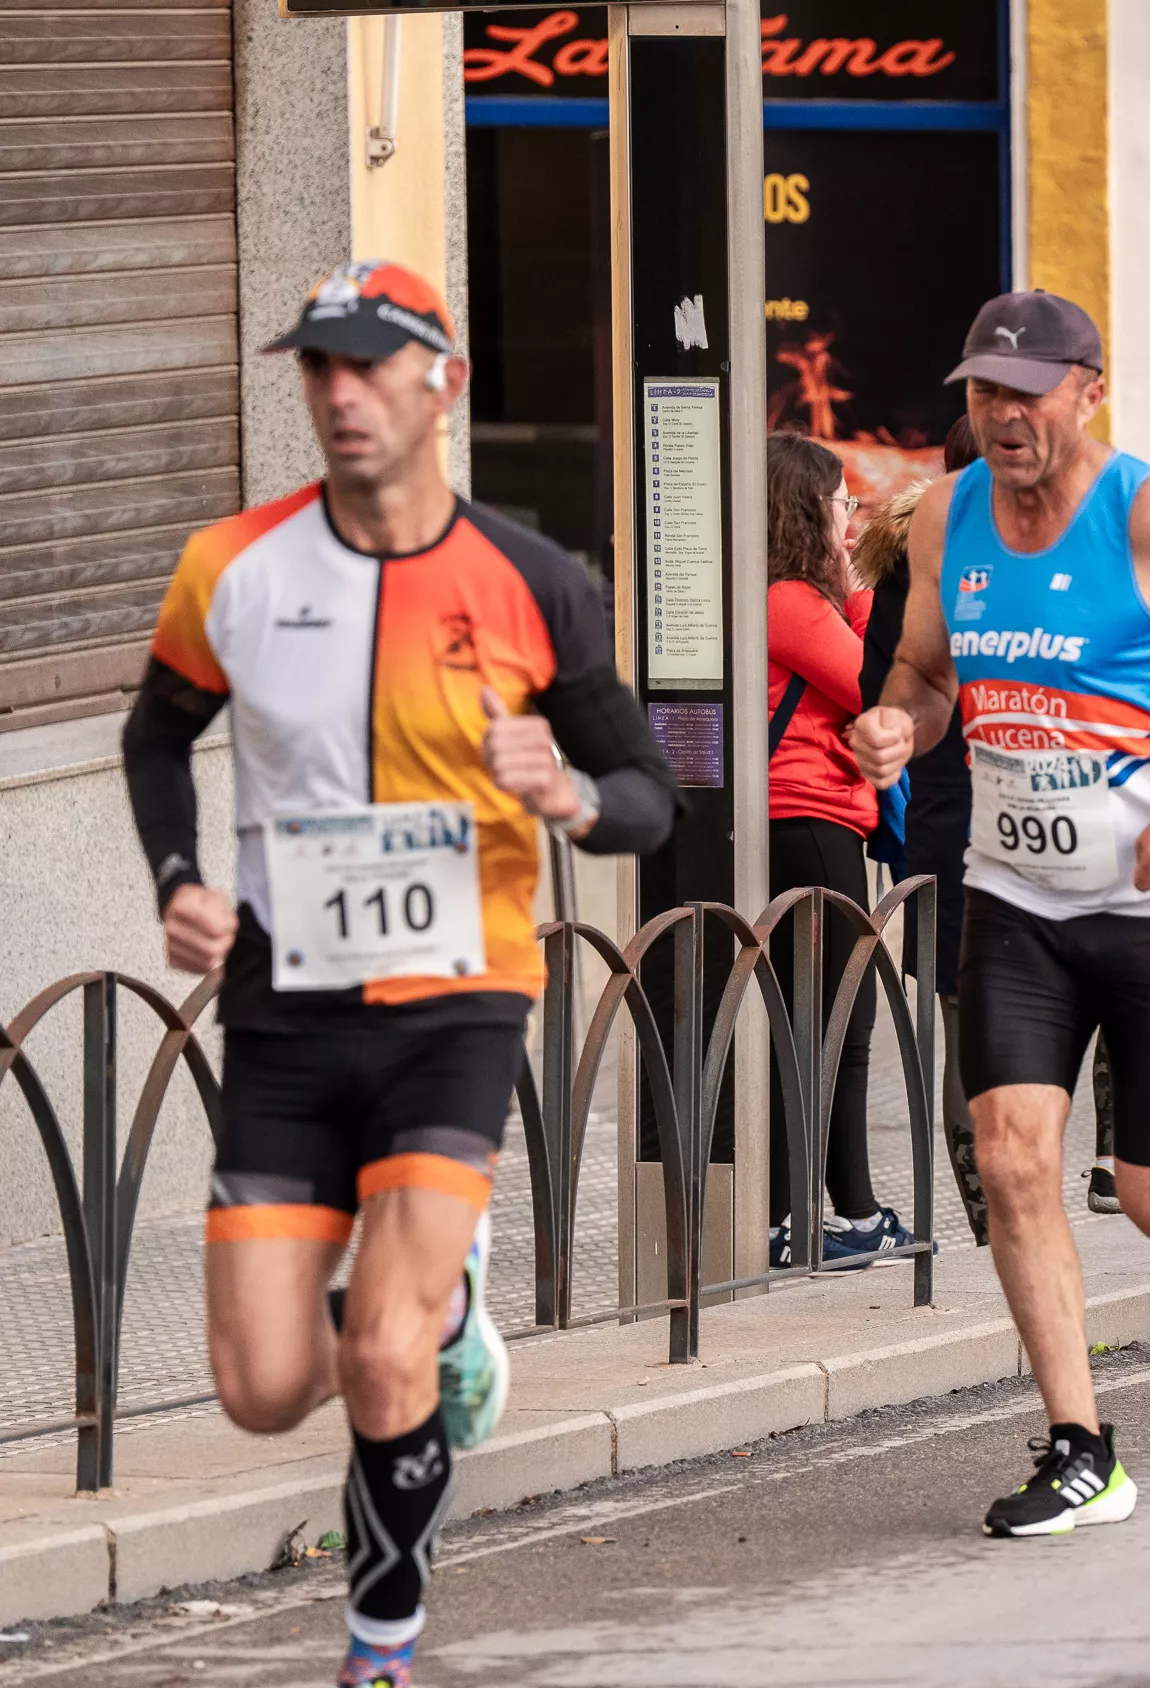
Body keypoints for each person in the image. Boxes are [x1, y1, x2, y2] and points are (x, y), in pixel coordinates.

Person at [120, 261, 677, 1688]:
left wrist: (567, 794)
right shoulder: (229, 567)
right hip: (284, 1014)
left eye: (370, 365)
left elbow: (649, 793)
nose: (341, 392)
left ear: (448, 382)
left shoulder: (535, 582)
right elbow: (151, 734)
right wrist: (180, 882)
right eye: (317, 367)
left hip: (455, 1000)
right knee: (259, 1392)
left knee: (380, 1360)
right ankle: (426, 1314)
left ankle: (382, 1650)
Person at [847, 291, 1150, 1537]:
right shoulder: (947, 516)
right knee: (1011, 1157)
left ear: (1088, 391)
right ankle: (1080, 1443)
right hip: (1013, 895)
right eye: (984, 392)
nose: (1005, 415)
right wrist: (903, 721)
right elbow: (926, 669)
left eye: (1029, 391)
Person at [763, 434, 907, 1267]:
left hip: (811, 824)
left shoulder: (782, 598)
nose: (849, 522)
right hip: (811, 826)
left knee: (824, 1023)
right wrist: (854, 595)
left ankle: (822, 1213)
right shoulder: (790, 600)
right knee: (832, 1025)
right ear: (804, 509)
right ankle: (829, 1216)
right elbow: (875, 687)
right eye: (841, 504)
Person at [854, 447, 992, 1244]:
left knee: (958, 1010)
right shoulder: (1034, 556)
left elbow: (881, 689)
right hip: (997, 809)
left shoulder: (906, 566)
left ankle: (985, 1217)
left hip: (942, 815)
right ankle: (1109, 1159)